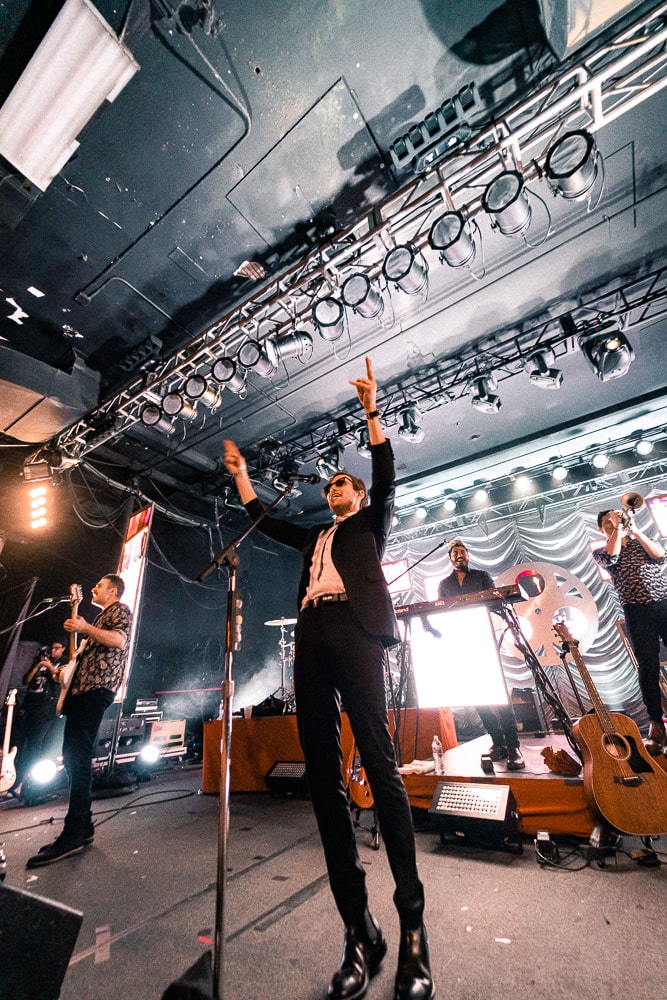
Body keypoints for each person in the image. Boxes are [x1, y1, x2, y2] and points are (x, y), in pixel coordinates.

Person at [223, 357, 433, 1000]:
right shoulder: (315, 535)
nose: (336, 489)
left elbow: (388, 476)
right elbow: (266, 520)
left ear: (360, 497)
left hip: (357, 634)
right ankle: (358, 929)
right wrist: (243, 478)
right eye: (334, 485)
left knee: (380, 763)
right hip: (313, 638)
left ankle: (415, 934)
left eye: (345, 484)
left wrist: (372, 410)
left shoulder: (371, 523)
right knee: (324, 778)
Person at [26, 574, 132, 867]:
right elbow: (80, 658)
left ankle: (74, 832)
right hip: (82, 690)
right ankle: (82, 827)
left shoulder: (119, 610)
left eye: (99, 586)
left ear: (112, 591)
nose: (95, 589)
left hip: (95, 690)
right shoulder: (99, 619)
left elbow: (119, 640)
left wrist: (84, 626)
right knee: (73, 758)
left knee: (79, 757)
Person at [437, 539, 525, 771]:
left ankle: (513, 746)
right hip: (461, 645)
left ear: (468, 555)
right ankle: (498, 742)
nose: (459, 555)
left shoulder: (482, 576)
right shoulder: (444, 584)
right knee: (478, 696)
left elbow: (496, 601)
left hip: (484, 637)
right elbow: (441, 611)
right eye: (455, 552)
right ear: (450, 558)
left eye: (462, 552)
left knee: (500, 696)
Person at [593, 508, 667, 755]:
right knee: (648, 667)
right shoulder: (602, 552)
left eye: (615, 519)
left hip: (664, 603)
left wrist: (634, 529)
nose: (614, 522)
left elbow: (659, 555)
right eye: (606, 522)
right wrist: (615, 528)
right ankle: (656, 725)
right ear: (601, 529)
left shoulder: (639, 542)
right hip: (636, 612)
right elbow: (612, 556)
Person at [15, 639, 67, 790]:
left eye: (56, 648)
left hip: (46, 708)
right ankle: (17, 776)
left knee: (36, 743)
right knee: (22, 742)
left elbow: (59, 680)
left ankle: (28, 781)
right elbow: (26, 680)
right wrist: (38, 665)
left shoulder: (62, 664)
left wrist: (49, 667)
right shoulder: (40, 661)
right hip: (30, 704)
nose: (53, 651)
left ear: (63, 649)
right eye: (51, 648)